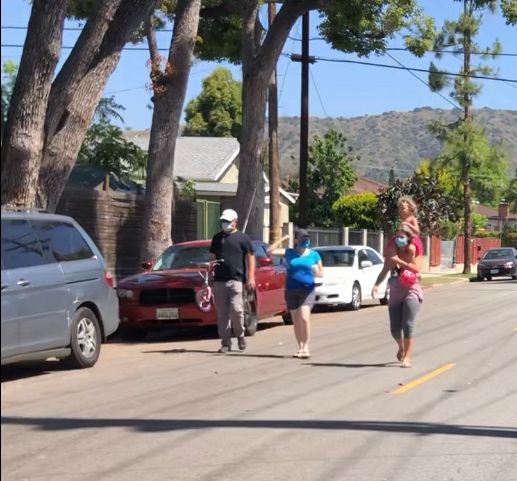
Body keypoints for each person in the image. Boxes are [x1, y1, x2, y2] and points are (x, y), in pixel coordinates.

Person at [372, 223, 423, 368]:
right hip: (395, 291)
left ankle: (407, 356)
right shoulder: (392, 252)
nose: (398, 239)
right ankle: (401, 347)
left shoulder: (411, 250)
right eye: (397, 236)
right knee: (395, 329)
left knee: (408, 325)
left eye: (402, 237)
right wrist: (376, 284)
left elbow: (416, 269)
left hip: (411, 290)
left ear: (408, 238)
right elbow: (384, 270)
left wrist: (400, 262)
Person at [269, 229, 323, 359]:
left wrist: (317, 272)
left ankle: (306, 347)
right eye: (302, 238)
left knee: (304, 317)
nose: (306, 240)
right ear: (296, 240)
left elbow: (321, 272)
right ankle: (300, 347)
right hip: (291, 290)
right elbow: (269, 251)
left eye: (307, 238)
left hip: (307, 290)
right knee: (296, 319)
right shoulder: (289, 253)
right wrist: (283, 239)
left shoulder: (314, 255)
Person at [210, 209, 256, 353]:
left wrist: (251, 276)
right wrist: (210, 271)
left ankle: (240, 335)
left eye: (228, 222)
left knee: (237, 310)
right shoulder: (217, 238)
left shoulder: (243, 238)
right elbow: (212, 257)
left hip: (236, 279)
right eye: (223, 221)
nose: (225, 224)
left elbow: (250, 257)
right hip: (219, 281)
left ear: (235, 222)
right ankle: (225, 342)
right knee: (222, 313)